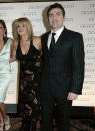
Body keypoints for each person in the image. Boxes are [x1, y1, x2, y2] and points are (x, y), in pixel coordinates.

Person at [40, 3, 85, 131]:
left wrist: (75, 89)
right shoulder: (43, 38)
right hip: (46, 87)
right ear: (47, 18)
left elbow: (79, 65)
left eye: (58, 14)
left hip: (65, 88)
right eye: (51, 15)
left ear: (64, 18)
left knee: (64, 121)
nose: (54, 18)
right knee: (46, 120)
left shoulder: (75, 37)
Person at [12, 17, 42, 131]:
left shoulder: (37, 40)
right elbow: (13, 58)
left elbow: (47, 58)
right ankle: (25, 125)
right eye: (18, 26)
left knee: (34, 105)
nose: (20, 28)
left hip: (36, 81)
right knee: (24, 104)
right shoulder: (15, 43)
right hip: (23, 80)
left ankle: (33, 125)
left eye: (23, 25)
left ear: (28, 27)